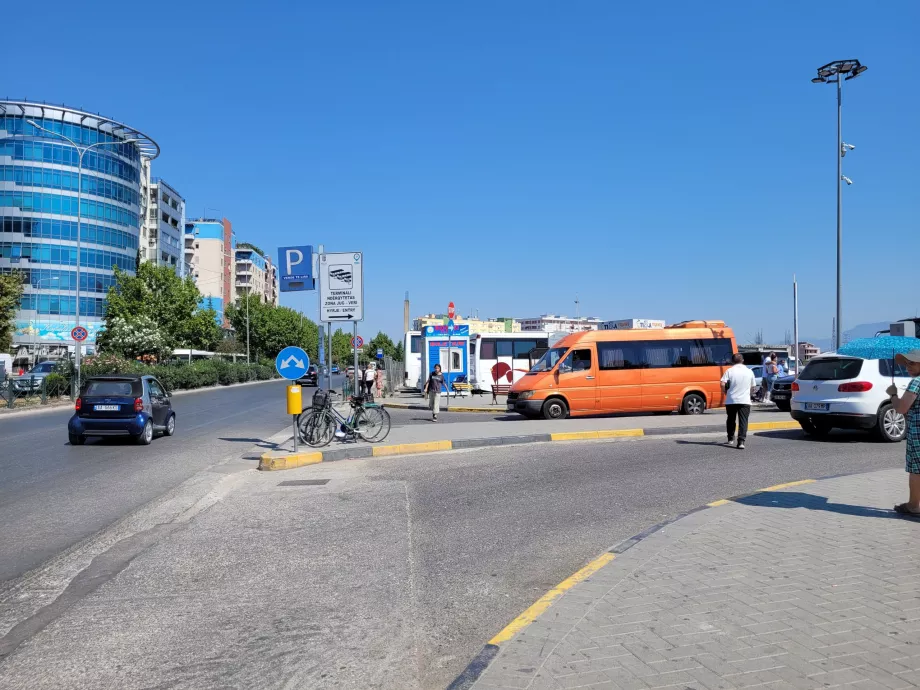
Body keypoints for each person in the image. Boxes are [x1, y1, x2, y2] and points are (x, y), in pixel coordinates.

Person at [886, 350, 920, 517]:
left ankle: (913, 505)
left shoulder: (916, 383)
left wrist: (893, 395)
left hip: (917, 433)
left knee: (916, 469)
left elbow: (901, 408)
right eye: (907, 363)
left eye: (912, 363)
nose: (908, 366)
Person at [721, 353, 757, 450]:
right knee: (743, 421)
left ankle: (730, 438)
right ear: (743, 360)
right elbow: (753, 387)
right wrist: (749, 394)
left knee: (731, 419)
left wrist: (725, 392)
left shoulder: (729, 371)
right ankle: (741, 442)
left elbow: (722, 383)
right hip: (745, 400)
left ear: (733, 361)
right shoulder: (749, 371)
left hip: (731, 400)